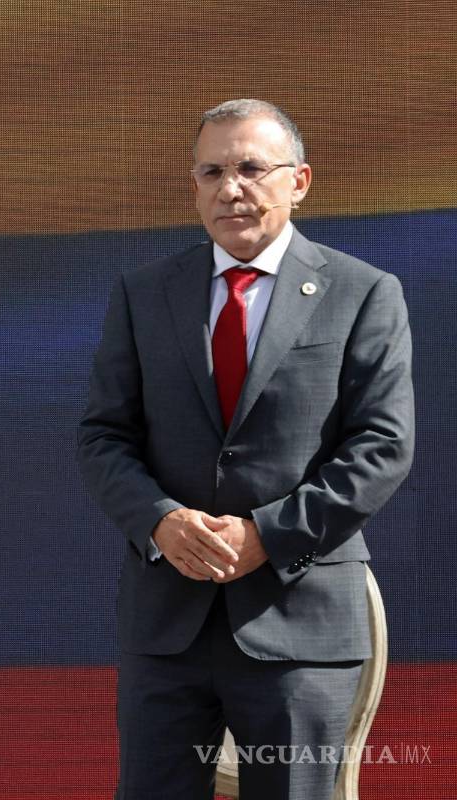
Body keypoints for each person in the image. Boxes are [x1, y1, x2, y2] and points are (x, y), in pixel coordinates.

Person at [77, 99, 414, 800]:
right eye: (212, 170)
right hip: (167, 625)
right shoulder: (144, 294)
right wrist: (160, 521)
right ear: (193, 185)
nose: (231, 188)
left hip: (300, 624)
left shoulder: (362, 293)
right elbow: (104, 434)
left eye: (252, 168)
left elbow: (382, 445)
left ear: (300, 181)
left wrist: (268, 533)